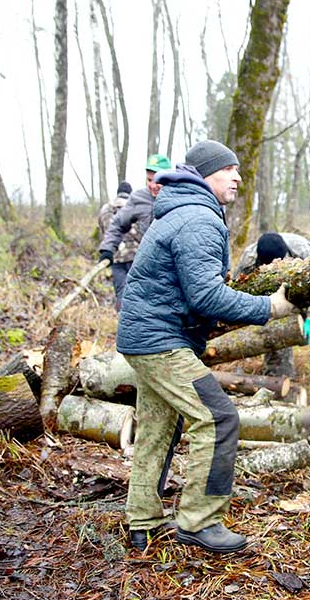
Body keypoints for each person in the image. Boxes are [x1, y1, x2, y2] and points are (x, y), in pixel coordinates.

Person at [117, 139, 295, 555]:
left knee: (158, 427)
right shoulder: (197, 218)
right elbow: (206, 296)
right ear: (205, 174)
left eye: (238, 169)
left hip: (147, 337)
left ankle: (142, 520)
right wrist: (270, 307)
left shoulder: (184, 210)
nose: (238, 177)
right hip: (160, 341)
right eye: (228, 169)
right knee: (217, 417)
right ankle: (200, 521)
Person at [237, 232, 310, 397]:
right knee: (277, 350)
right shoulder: (248, 261)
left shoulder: (304, 251)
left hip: (309, 296)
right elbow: (240, 292)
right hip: (275, 303)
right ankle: (278, 390)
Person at [98, 154, 171, 311]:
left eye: (158, 181)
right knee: (130, 301)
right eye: (149, 180)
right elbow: (117, 223)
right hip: (144, 264)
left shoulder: (179, 197)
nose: (153, 185)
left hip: (170, 267)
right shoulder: (138, 198)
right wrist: (107, 249)